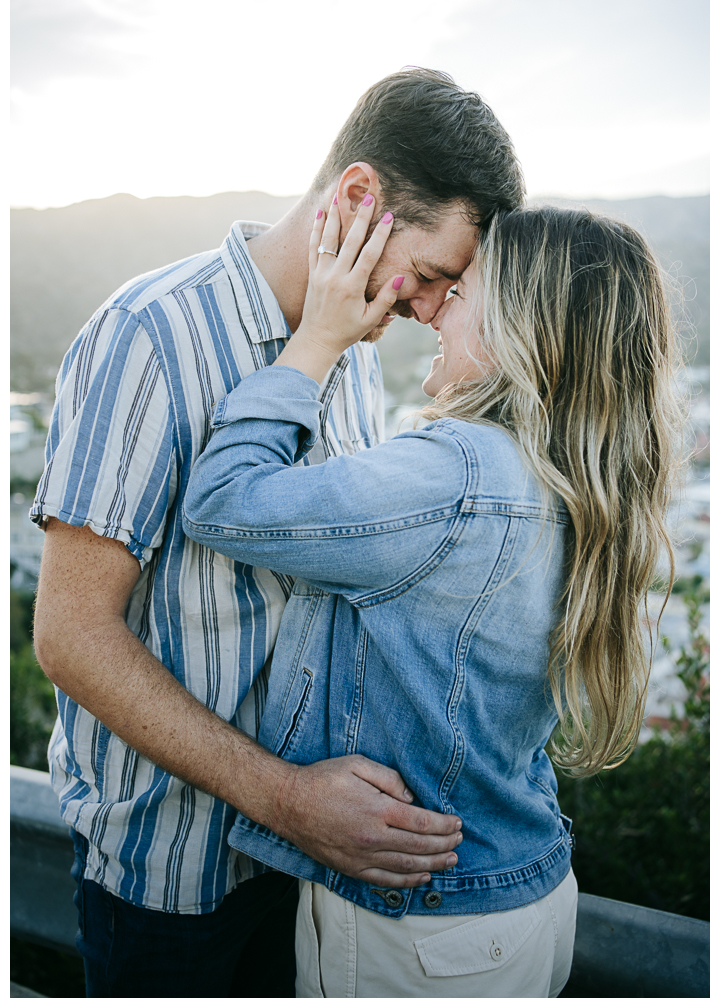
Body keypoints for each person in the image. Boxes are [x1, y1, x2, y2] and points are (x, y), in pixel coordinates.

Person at [30, 67, 525, 998]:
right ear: (357, 197)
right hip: (173, 881)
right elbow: (70, 635)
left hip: (310, 873)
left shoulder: (353, 361)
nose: (424, 310)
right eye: (425, 275)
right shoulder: (151, 335)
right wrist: (290, 802)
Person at [182, 198, 684, 997]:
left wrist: (314, 340)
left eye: (463, 289)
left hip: (418, 925)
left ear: (522, 322)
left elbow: (222, 500)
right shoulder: (570, 474)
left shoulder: (456, 474)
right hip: (525, 893)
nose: (435, 311)